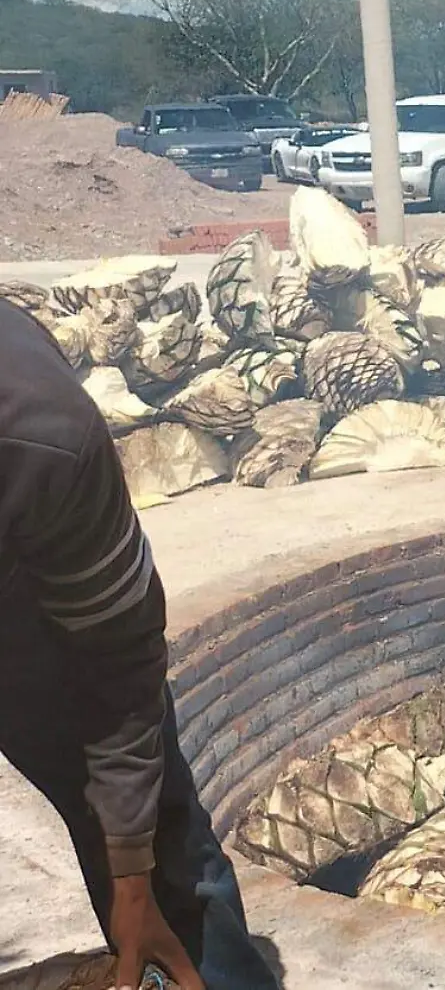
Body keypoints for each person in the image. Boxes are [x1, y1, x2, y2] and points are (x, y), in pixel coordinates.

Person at [0, 302, 279, 990]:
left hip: (31, 629)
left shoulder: (44, 442)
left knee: (157, 846)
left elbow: (119, 667)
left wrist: (132, 880)